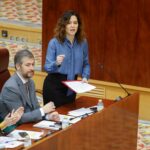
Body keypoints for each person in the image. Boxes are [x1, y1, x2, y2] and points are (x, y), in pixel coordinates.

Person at [43, 10, 90, 107]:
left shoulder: (83, 42)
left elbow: (86, 64)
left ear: (78, 25)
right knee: (55, 119)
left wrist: (85, 77)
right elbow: (47, 68)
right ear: (63, 25)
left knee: (69, 116)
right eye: (69, 23)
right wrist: (56, 63)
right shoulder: (54, 43)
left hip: (72, 87)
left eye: (75, 23)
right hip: (55, 86)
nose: (72, 26)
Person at [0, 49, 60, 124]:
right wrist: (43, 110)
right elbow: (19, 119)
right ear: (18, 66)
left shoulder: (30, 82)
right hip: (10, 128)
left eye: (33, 64)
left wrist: (48, 116)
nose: (32, 68)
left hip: (28, 123)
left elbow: (35, 108)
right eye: (28, 65)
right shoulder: (11, 88)